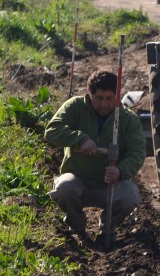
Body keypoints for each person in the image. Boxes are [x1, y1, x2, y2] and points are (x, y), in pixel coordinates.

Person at [45, 70, 145, 245]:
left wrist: (120, 171)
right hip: (78, 179)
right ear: (89, 94)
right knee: (64, 189)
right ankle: (77, 227)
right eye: (98, 98)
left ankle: (108, 228)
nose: (104, 104)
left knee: (129, 196)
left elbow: (137, 153)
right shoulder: (75, 106)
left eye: (109, 98)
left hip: (109, 185)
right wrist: (80, 139)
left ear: (117, 95)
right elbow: (52, 131)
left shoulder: (128, 119)